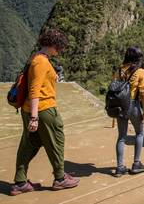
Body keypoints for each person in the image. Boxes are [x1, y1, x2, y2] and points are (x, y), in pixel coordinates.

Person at [11, 29, 79, 196]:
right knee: (56, 141)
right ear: (53, 45)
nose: (60, 51)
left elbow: (40, 82)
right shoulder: (41, 62)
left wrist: (54, 75)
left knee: (29, 145)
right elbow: (34, 91)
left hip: (29, 110)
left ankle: (20, 182)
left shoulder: (37, 58)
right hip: (43, 110)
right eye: (59, 48)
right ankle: (60, 178)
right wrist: (34, 118)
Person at [114, 46, 144, 177]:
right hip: (133, 105)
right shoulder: (141, 72)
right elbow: (143, 94)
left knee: (121, 137)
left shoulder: (120, 70)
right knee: (139, 133)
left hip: (120, 107)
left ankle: (119, 167)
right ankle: (136, 164)